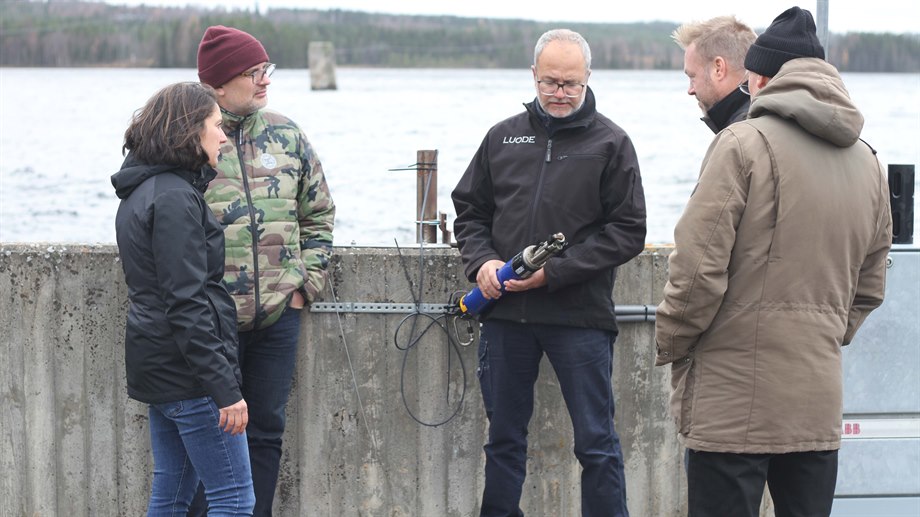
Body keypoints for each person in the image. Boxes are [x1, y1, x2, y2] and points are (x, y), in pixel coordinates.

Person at [655, 7, 892, 517]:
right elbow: (870, 287)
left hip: (731, 403)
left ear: (759, 79)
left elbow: (696, 272)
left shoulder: (740, 144)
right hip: (816, 403)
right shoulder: (869, 161)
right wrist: (820, 335)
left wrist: (672, 342)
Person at [451, 28, 647, 517]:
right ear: (534, 75)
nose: (560, 93)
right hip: (505, 313)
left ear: (588, 78)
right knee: (503, 441)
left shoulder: (612, 142)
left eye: (571, 84)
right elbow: (470, 211)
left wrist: (555, 273)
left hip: (579, 316)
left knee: (596, 443)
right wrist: (482, 261)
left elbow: (628, 231)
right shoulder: (501, 136)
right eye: (550, 82)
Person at [188, 25, 336, 516]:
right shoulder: (188, 142)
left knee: (266, 431)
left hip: (278, 316)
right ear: (217, 84)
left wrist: (304, 285)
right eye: (252, 73)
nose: (265, 80)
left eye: (265, 69)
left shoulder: (287, 134)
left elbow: (319, 214)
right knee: (210, 435)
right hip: (213, 320)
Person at [112, 81, 255, 516]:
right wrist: (224, 389)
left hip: (162, 367)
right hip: (190, 375)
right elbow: (186, 303)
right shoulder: (174, 197)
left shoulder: (146, 189)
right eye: (217, 125)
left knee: (173, 493)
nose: (224, 136)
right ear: (189, 130)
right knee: (234, 498)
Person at [672, 15, 757, 133]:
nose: (690, 90)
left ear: (718, 68)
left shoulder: (738, 137)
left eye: (692, 77)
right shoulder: (771, 115)